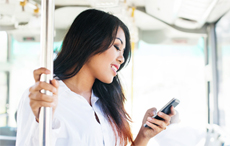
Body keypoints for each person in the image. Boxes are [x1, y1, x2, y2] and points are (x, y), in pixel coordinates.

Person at [16, 9, 175, 146]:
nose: (122, 58)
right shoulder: (44, 97)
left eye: (123, 52)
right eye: (117, 47)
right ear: (90, 41)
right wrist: (41, 119)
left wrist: (144, 135)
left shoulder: (104, 103)